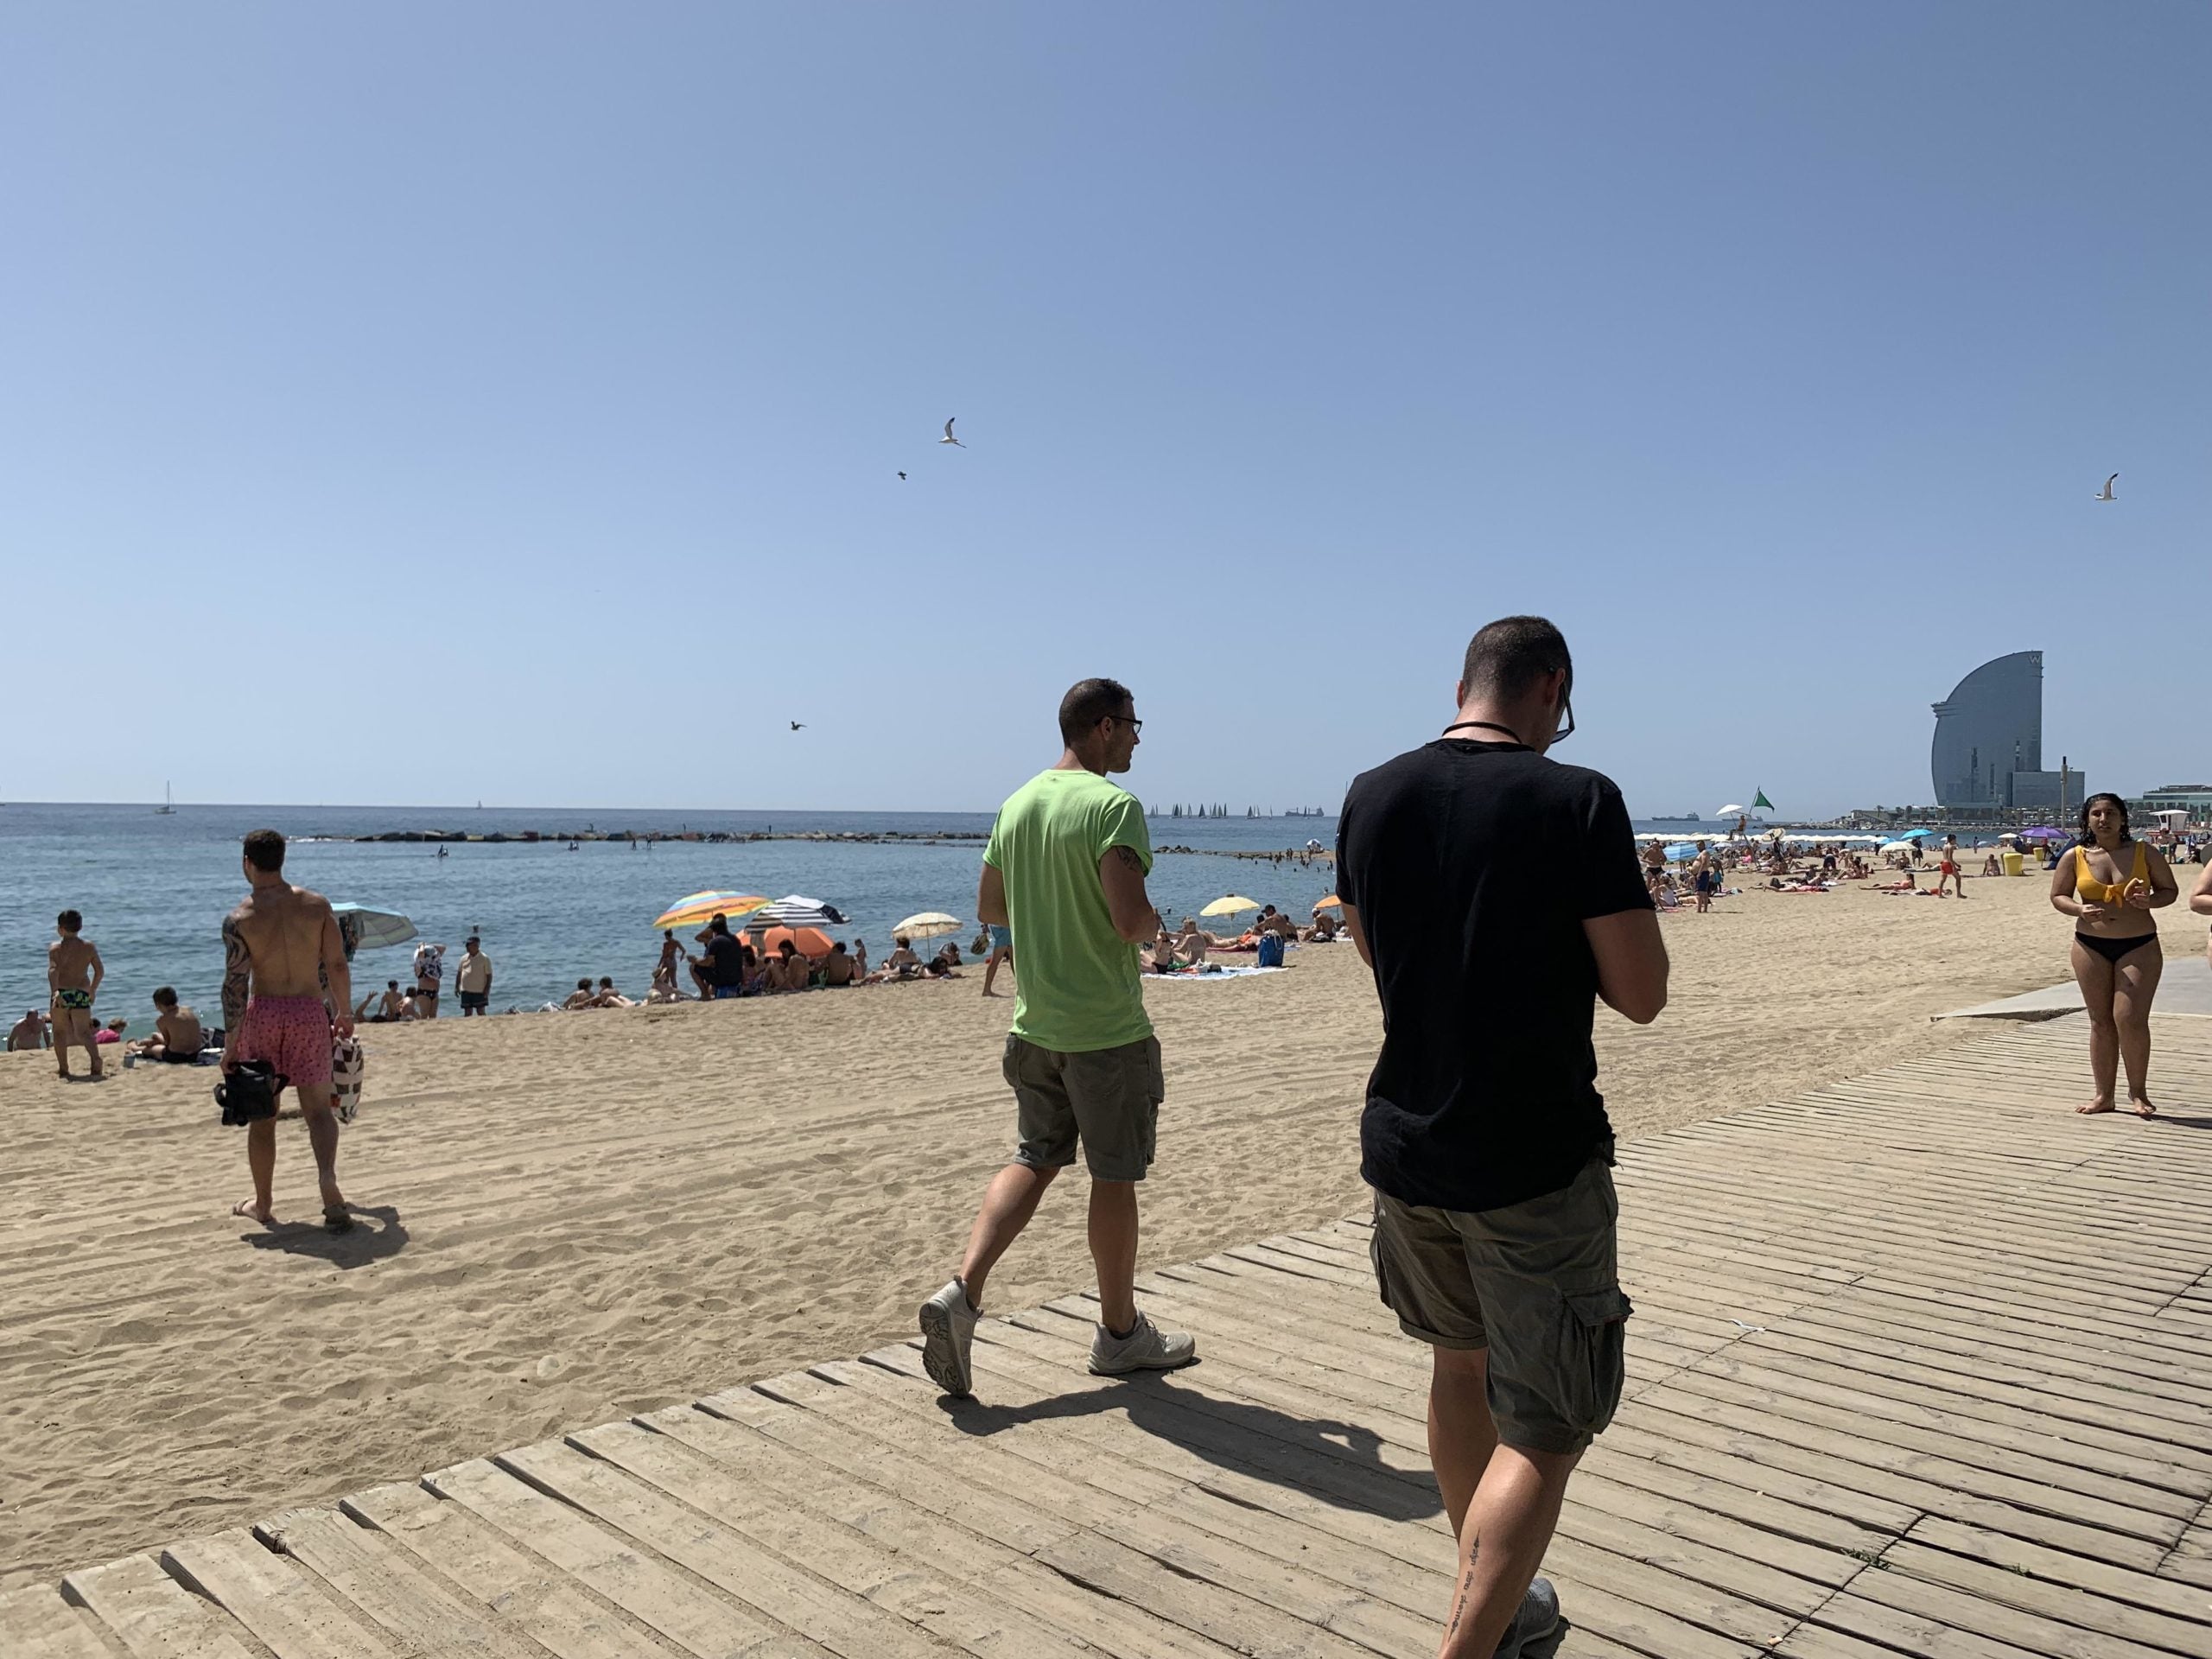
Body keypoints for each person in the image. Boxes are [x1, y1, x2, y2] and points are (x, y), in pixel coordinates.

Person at [1337, 616, 1668, 1659]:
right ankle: (1469, 1646)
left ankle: (1499, 1598)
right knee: (1548, 1423)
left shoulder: (1370, 792)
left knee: (1457, 1368)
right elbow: (1641, 993)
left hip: (1406, 1141)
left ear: (1463, 684)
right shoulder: (1575, 798)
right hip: (1530, 1151)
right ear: (1551, 689)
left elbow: (1371, 952)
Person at [918, 677, 1194, 1399]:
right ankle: (1120, 1334)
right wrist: (1155, 928)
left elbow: (989, 908)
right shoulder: (1112, 806)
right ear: (1103, 726)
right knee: (1114, 1175)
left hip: (1034, 1026)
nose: (1138, 737)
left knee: (1035, 1157)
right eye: (1134, 724)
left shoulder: (1019, 802)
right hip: (1104, 1029)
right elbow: (1131, 920)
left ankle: (962, 1293)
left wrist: (1048, 918)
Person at [221, 829, 355, 1232]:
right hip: (308, 1012)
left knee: (264, 1116)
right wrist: (345, 1010)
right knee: (317, 1110)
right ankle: (328, 1180)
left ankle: (262, 1204)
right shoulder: (316, 906)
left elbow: (234, 984)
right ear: (282, 860)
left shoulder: (239, 919)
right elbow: (336, 964)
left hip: (263, 1014)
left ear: (247, 862)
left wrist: (230, 1044)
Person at [2051, 794, 2177, 1117]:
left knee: (2130, 1019)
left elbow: (2169, 891)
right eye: (2096, 813)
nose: (2103, 819)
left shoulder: (2143, 852)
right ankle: (2104, 1095)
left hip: (2139, 945)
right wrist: (2079, 908)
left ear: (2123, 819)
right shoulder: (2075, 856)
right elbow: (2058, 896)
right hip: (2090, 945)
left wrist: (2149, 901)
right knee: (2100, 1021)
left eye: (2110, 813)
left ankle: (2138, 1093)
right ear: (2088, 819)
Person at [48, 910, 105, 1081]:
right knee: (83, 1032)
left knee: (59, 1032)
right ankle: (96, 1061)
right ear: (80, 927)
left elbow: (53, 970)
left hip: (62, 993)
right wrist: (93, 990)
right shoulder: (88, 947)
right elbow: (100, 971)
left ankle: (64, 1069)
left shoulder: (56, 948)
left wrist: (55, 991)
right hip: (81, 992)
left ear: (60, 929)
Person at [130, 987, 205, 1063]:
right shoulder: (188, 1010)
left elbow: (167, 1043)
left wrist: (158, 1036)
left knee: (149, 1050)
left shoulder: (162, 1020)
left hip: (177, 1056)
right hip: (195, 1053)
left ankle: (135, 1048)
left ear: (158, 1005)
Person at [697, 915, 747, 998]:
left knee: (693, 967)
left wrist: (695, 960)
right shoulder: (735, 939)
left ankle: (705, 994)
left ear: (713, 930)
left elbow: (707, 962)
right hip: (736, 978)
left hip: (723, 980)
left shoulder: (715, 941)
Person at [454, 936, 493, 1015]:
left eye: (469, 945)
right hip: (465, 990)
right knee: (467, 1012)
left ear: (477, 946)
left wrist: (487, 988)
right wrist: (456, 987)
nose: (467, 947)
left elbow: (489, 975)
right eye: (467, 945)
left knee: (480, 1011)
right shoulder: (463, 958)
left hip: (479, 990)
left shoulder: (484, 958)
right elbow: (459, 973)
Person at [411, 940, 446, 1018]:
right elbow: (421, 954)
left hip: (435, 993)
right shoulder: (420, 964)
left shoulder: (434, 965)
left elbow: (443, 948)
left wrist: (428, 945)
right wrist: (421, 946)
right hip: (424, 993)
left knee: (433, 1016)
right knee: (424, 1017)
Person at [982, 922, 1015, 998]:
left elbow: (986, 910)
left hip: (997, 925)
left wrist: (985, 925)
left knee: (1013, 957)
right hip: (1004, 926)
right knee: (995, 961)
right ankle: (986, 989)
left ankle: (1020, 985)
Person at [1937, 833, 1965, 899]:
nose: (1956, 841)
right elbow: (1950, 858)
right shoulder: (1951, 847)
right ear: (1952, 840)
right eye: (1955, 840)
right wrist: (1954, 867)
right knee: (1958, 878)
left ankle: (1940, 894)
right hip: (1948, 864)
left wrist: (1956, 864)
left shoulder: (1944, 846)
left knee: (1942, 880)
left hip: (1943, 863)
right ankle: (1958, 894)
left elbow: (1946, 857)